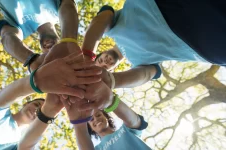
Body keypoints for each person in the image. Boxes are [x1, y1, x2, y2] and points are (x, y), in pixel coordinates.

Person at [78, 0, 226, 110]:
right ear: (113, 68)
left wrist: (86, 56)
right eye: (105, 67)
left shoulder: (111, 28)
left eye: (100, 60)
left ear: (100, 51)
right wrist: (111, 81)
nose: (105, 62)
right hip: (199, 43)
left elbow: (100, 20)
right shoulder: (137, 62)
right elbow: (146, 74)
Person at [0, 0, 80, 72]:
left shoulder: (20, 28)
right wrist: (69, 42)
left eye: (47, 56)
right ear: (60, 41)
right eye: (55, 53)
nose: (50, 51)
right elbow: (69, 5)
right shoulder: (59, 11)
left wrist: (32, 60)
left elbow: (7, 37)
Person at [64, 93, 151, 150]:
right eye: (91, 119)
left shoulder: (126, 130)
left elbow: (135, 121)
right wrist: (78, 122)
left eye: (98, 115)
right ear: (91, 128)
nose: (96, 119)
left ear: (107, 117)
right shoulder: (98, 148)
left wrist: (109, 99)